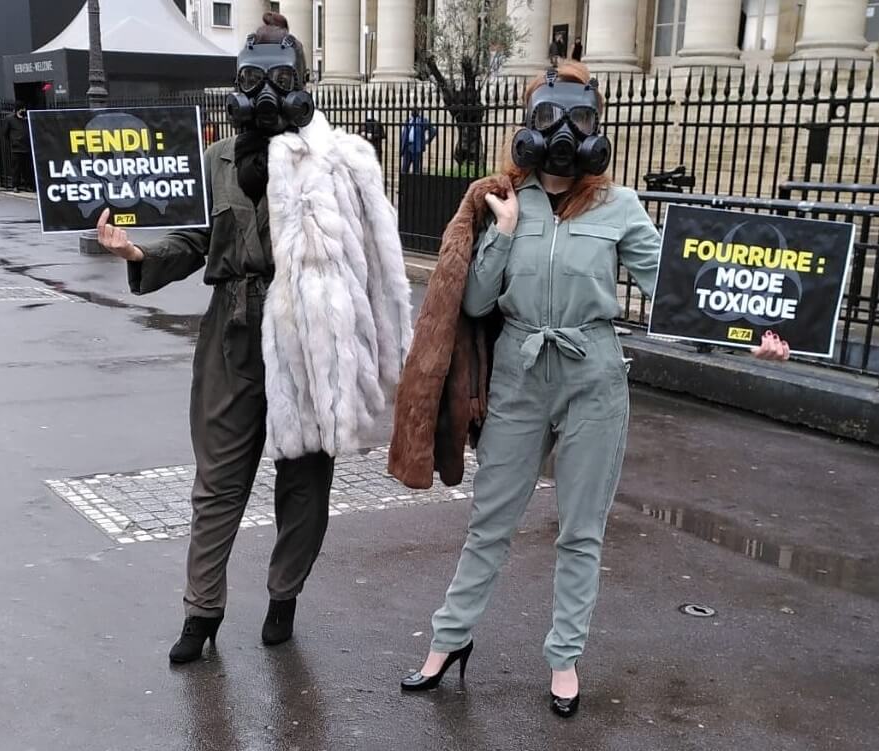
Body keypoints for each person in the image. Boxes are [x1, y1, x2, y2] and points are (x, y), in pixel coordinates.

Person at [389, 63, 789, 718]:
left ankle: (564, 657)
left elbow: (675, 291)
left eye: (579, 119)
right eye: (549, 118)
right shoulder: (501, 198)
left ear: (595, 128)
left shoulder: (618, 206)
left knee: (580, 529)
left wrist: (747, 334)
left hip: (592, 372)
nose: (565, 133)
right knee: (490, 519)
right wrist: (506, 231)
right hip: (519, 369)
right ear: (528, 124)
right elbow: (479, 297)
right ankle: (447, 640)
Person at [96, 11, 411, 664]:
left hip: (307, 334)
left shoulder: (338, 161)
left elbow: (372, 253)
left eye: (279, 79)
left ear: (302, 83)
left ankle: (283, 594)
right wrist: (135, 253)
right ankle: (201, 611)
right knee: (219, 479)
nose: (266, 94)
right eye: (252, 79)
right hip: (234, 331)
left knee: (305, 479)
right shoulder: (216, 157)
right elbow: (198, 238)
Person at [3, 104, 32, 192]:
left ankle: (28, 185)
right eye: (22, 109)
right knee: (16, 168)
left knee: (27, 168)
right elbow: (5, 133)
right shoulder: (10, 119)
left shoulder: (26, 119)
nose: (23, 110)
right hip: (16, 148)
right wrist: (13, 141)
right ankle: (15, 185)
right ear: (18, 110)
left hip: (27, 147)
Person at [400, 108, 436, 174]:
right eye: (412, 110)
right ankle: (404, 183)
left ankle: (414, 183)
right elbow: (403, 134)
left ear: (418, 112)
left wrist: (427, 141)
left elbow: (433, 131)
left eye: (415, 110)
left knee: (415, 170)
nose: (413, 111)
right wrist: (402, 146)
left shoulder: (423, 120)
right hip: (407, 147)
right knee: (404, 169)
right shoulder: (408, 120)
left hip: (416, 148)